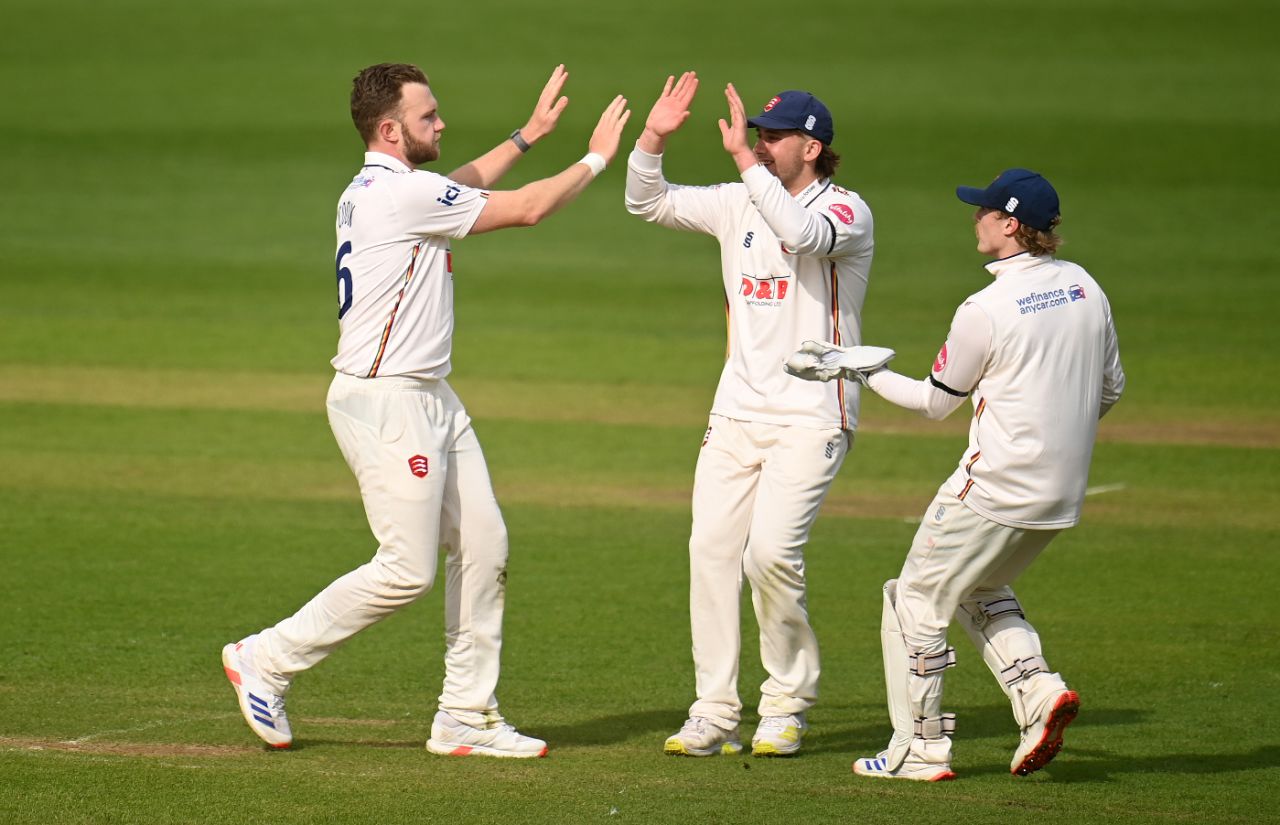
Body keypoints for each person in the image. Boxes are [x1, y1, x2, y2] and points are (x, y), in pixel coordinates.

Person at [221, 63, 630, 758]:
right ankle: (266, 656)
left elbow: (459, 186)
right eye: (428, 116)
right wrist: (596, 157)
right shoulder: (399, 197)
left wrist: (526, 136)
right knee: (407, 568)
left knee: (485, 545)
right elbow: (526, 208)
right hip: (387, 401)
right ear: (390, 128)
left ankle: (466, 714)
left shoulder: (382, 189)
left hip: (430, 395)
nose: (441, 123)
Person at [788, 168, 1125, 780]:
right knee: (980, 588)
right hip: (1061, 492)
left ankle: (920, 750)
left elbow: (935, 401)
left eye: (984, 211)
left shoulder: (986, 308)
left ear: (1011, 224)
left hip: (992, 487)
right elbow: (1109, 389)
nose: (975, 218)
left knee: (912, 600)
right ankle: (1038, 694)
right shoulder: (1084, 287)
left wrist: (855, 368)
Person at [624, 72, 875, 757]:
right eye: (757, 134)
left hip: (814, 412)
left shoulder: (848, 212)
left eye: (774, 136)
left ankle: (787, 703)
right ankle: (713, 709)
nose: (760, 145)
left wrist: (741, 160)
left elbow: (799, 232)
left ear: (813, 146)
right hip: (737, 409)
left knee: (770, 555)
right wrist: (653, 137)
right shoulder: (739, 203)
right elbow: (645, 201)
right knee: (710, 551)